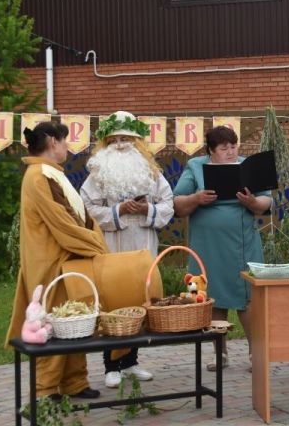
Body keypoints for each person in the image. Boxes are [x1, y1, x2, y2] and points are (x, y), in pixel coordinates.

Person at [5, 121, 107, 399]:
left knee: (75, 323)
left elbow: (79, 215)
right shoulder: (38, 176)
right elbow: (62, 223)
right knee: (53, 324)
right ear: (52, 141)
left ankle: (75, 382)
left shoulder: (51, 173)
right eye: (64, 142)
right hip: (50, 262)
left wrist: (92, 237)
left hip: (68, 260)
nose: (67, 148)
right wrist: (96, 245)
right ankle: (45, 390)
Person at [80, 111, 174, 388]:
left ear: (137, 142)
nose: (121, 144)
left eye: (127, 139)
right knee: (114, 301)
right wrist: (118, 210)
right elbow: (88, 209)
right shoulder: (97, 174)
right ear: (107, 142)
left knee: (139, 298)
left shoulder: (151, 172)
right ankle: (111, 365)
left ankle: (131, 362)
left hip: (143, 242)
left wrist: (147, 208)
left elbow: (168, 203)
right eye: (116, 139)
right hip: (113, 244)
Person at [173, 126, 271, 371]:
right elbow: (176, 204)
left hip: (242, 243)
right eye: (224, 148)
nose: (230, 152)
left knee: (248, 299)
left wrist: (252, 202)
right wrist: (196, 199)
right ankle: (220, 354)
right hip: (208, 245)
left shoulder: (249, 165)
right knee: (212, 297)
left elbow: (266, 201)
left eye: (233, 146)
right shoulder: (195, 166)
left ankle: (255, 353)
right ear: (210, 151)